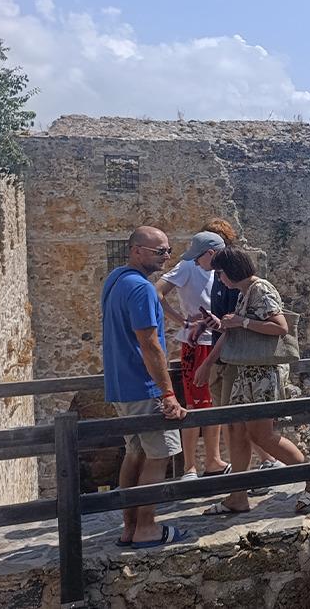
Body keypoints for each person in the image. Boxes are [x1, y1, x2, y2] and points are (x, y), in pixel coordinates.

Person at [194, 246, 310, 513]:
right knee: (238, 431)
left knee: (262, 435)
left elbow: (280, 326)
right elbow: (239, 331)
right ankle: (238, 495)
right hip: (247, 374)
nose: (219, 278)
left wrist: (241, 322)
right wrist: (223, 328)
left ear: (231, 270)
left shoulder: (260, 289)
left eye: (220, 273)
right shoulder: (245, 292)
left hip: (261, 375)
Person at [101, 226, 189, 548]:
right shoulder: (142, 289)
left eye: (168, 250)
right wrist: (167, 393)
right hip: (144, 387)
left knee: (135, 453)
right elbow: (150, 344)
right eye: (159, 251)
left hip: (121, 386)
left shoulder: (114, 280)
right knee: (160, 454)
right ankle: (147, 528)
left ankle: (129, 528)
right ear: (136, 250)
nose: (166, 256)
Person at [156, 231, 230, 480]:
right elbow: (157, 293)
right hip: (197, 343)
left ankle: (213, 461)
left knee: (214, 404)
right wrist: (183, 321)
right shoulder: (188, 266)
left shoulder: (221, 269)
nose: (197, 261)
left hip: (219, 341)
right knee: (195, 405)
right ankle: (189, 466)